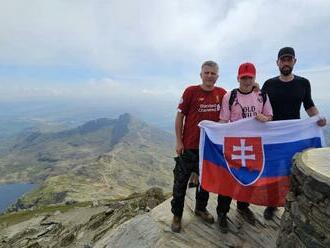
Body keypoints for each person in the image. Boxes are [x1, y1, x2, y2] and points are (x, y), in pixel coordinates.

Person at [262, 47, 327, 220]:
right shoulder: (269, 84)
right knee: (273, 170)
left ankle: (292, 204)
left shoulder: (303, 83)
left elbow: (309, 105)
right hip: (273, 135)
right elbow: (260, 106)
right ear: (277, 63)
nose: (286, 63)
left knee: (292, 169)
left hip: (294, 135)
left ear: (294, 62)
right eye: (283, 60)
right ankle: (272, 204)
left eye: (289, 59)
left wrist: (318, 118)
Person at [171, 61, 226, 233]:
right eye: (206, 72)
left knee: (206, 183)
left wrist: (255, 87)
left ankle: (200, 209)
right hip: (189, 147)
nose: (210, 76)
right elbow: (180, 117)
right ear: (201, 74)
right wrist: (179, 141)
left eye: (213, 73)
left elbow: (236, 104)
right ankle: (177, 215)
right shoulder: (191, 92)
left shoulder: (222, 94)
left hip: (209, 148)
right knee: (180, 183)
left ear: (217, 76)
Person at [217, 62, 273, 233]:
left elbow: (270, 116)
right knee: (228, 180)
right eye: (244, 77)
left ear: (254, 78)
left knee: (248, 179)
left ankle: (242, 207)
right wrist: (214, 134)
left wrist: (265, 118)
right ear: (238, 78)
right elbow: (223, 121)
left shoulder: (261, 96)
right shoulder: (230, 96)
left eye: (250, 77)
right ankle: (222, 213)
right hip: (234, 145)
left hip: (254, 145)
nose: (247, 81)